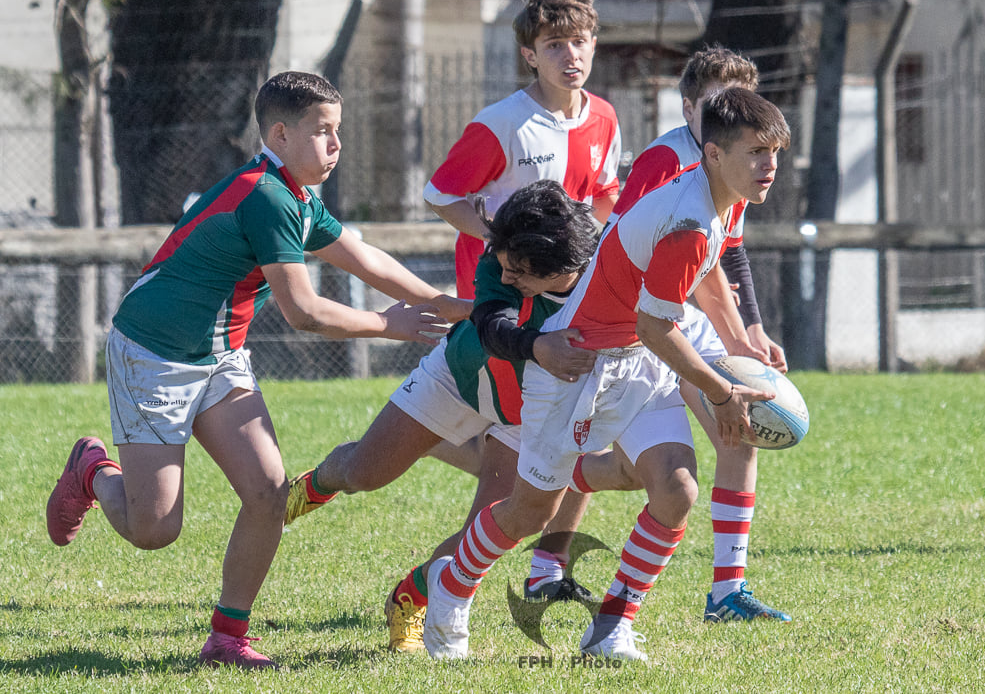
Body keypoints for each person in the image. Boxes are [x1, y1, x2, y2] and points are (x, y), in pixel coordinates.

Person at [44, 71, 470, 670]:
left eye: (338, 131)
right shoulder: (266, 196)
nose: (336, 144)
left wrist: (438, 302)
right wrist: (389, 324)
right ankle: (94, 471)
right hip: (154, 353)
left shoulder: (294, 195)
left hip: (220, 358)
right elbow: (304, 312)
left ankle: (226, 639)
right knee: (154, 530)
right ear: (280, 134)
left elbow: (362, 256)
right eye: (323, 131)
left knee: (269, 493)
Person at [422, 88, 791, 662]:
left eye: (775, 152)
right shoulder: (687, 221)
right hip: (577, 365)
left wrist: (738, 338)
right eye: (756, 152)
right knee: (530, 511)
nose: (770, 165)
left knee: (676, 490)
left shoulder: (728, 196)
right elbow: (654, 325)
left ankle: (610, 628)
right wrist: (720, 391)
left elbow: (705, 271)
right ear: (714, 154)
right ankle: (452, 584)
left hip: (639, 360)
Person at [283, 180, 601, 652]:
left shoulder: (602, 276)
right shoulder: (501, 258)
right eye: (504, 263)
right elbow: (493, 327)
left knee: (496, 527)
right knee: (365, 473)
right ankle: (315, 484)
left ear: (564, 268)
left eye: (520, 273)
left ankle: (412, 596)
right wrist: (538, 346)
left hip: (528, 412)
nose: (505, 273)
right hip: (457, 378)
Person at [583, 46, 792, 625]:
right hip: (632, 326)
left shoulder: (740, 164)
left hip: (675, 316)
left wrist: (745, 334)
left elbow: (723, 258)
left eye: (743, 103)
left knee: (740, 429)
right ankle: (561, 488)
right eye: (718, 104)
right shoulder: (668, 163)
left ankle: (728, 589)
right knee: (597, 465)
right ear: (692, 112)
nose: (732, 111)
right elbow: (649, 254)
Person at [423, 0, 621, 300]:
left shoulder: (604, 116)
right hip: (498, 287)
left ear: (593, 46)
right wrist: (506, 243)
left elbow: (602, 195)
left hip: (565, 284)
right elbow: (439, 195)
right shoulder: (501, 122)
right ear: (530, 55)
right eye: (555, 45)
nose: (571, 55)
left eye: (579, 42)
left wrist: (641, 238)